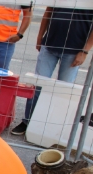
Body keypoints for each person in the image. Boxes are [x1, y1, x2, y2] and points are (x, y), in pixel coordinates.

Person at [11, 7, 93, 135]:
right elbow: (48, 12)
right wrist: (40, 37)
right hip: (49, 45)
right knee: (37, 86)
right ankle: (28, 121)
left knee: (63, 92)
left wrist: (85, 50)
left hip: (74, 50)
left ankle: (54, 128)